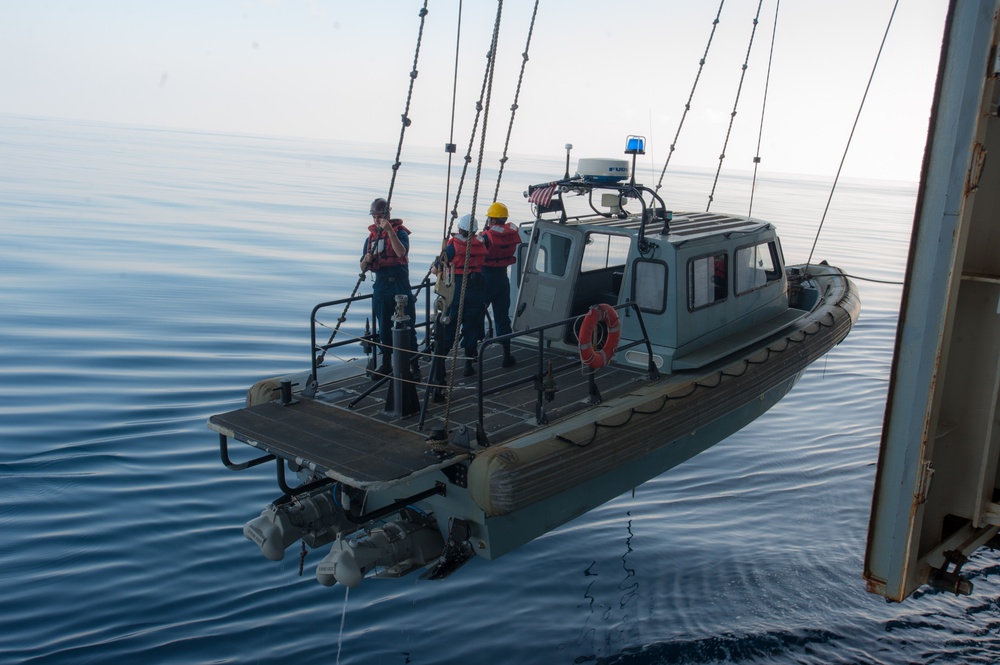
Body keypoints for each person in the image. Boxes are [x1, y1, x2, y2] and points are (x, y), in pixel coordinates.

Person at [361, 197, 419, 379]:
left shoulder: (400, 233)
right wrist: (366, 261)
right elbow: (362, 267)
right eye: (374, 217)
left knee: (408, 326)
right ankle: (386, 363)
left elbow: (401, 252)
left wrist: (389, 232)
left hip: (400, 284)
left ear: (387, 215)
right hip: (381, 284)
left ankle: (413, 365)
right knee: (384, 327)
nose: (376, 220)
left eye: (379, 216)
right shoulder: (370, 239)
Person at [432, 213, 486, 376]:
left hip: (456, 289)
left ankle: (440, 364)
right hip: (476, 289)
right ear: (475, 231)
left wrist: (437, 268)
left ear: (459, 229)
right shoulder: (481, 244)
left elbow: (437, 265)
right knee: (471, 326)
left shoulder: (452, 247)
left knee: (449, 325)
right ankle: (468, 364)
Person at [480, 201, 520, 367]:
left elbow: (476, 250)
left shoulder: (486, 237)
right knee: (502, 317)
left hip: (486, 278)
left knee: (476, 314)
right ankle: (507, 355)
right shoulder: (509, 236)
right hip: (503, 279)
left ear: (493, 221)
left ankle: (472, 356)